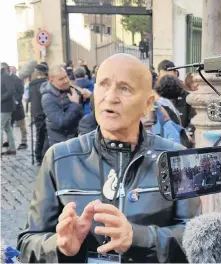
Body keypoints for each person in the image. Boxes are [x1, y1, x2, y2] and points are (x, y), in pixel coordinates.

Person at [17, 54, 201, 263]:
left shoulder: (179, 159)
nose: (110, 97)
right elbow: (27, 241)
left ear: (148, 103)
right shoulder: (59, 158)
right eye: (103, 85)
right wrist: (58, 246)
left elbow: (197, 239)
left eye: (125, 88)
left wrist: (138, 237)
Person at [40, 65, 85, 146]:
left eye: (66, 77)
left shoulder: (72, 88)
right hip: (61, 143)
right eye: (61, 79)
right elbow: (61, 122)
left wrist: (88, 98)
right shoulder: (47, 98)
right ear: (51, 81)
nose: (66, 80)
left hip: (76, 138)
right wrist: (75, 104)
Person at [28, 63, 49, 165]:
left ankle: (38, 155)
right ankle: (42, 155)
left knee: (39, 134)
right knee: (46, 134)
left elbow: (28, 99)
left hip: (36, 112)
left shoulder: (31, 84)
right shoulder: (46, 83)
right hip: (45, 110)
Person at [8, 66, 27, 150]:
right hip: (9, 106)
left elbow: (21, 90)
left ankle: (24, 141)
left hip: (17, 106)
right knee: (9, 125)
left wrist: (16, 101)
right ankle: (9, 141)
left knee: (21, 124)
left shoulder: (17, 79)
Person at [1, 63, 16, 155]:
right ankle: (12, 148)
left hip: (5, 107)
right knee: (8, 128)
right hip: (4, 106)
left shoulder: (5, 76)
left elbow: (11, 90)